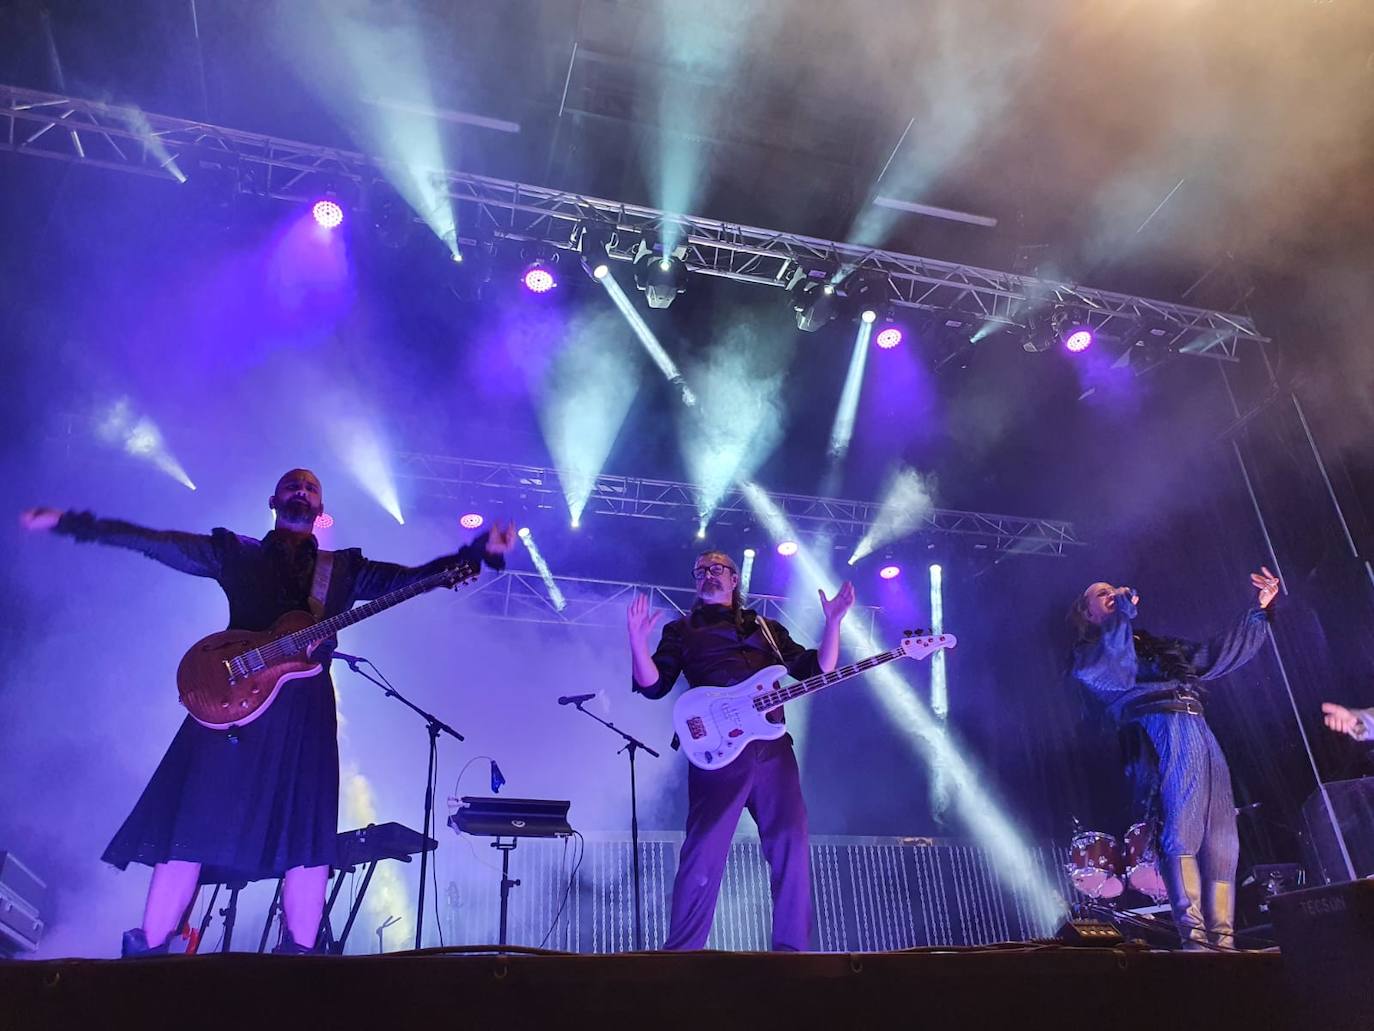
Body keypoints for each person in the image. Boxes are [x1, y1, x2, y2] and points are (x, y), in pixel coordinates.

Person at [20, 469, 515, 957]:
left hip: (303, 712)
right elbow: (159, 542)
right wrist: (77, 524)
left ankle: (299, 965)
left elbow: (409, 579)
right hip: (228, 699)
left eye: (311, 488)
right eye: (292, 486)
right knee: (191, 823)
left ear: (320, 511)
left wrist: (476, 554)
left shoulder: (340, 569)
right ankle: (147, 958)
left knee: (306, 833)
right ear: (273, 502)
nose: (302, 491)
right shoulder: (238, 553)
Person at [627, 549, 854, 951]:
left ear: (734, 579)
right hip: (717, 750)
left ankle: (792, 953)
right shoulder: (683, 630)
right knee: (704, 849)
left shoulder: (767, 629)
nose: (707, 575)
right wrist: (636, 643)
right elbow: (653, 685)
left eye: (717, 569)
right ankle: (681, 954)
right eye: (700, 571)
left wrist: (833, 622)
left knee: (791, 842)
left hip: (772, 747)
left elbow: (818, 669)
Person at [1068, 567, 1280, 949]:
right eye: (1102, 594)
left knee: (1223, 838)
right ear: (1087, 614)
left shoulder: (1155, 646)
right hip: (1159, 727)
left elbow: (1214, 655)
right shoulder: (1090, 653)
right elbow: (1114, 674)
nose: (1111, 594)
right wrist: (1121, 615)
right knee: (1181, 828)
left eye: (1113, 589)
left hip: (1197, 723)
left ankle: (1224, 940)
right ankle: (1195, 939)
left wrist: (1258, 611)